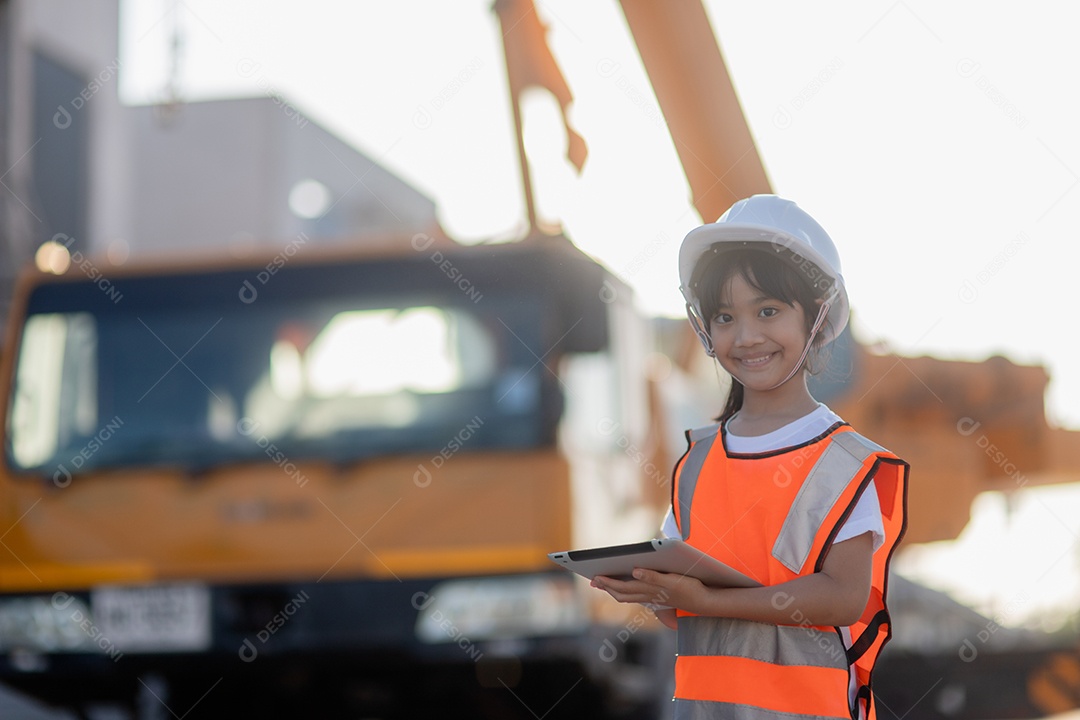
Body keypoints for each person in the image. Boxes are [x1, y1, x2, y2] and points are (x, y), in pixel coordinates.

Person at [590, 195, 908, 720]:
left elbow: (843, 598)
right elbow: (684, 618)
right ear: (703, 328)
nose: (746, 336)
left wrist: (710, 600)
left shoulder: (844, 463)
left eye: (768, 311)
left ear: (816, 316)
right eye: (724, 316)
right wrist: (656, 592)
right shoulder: (696, 462)